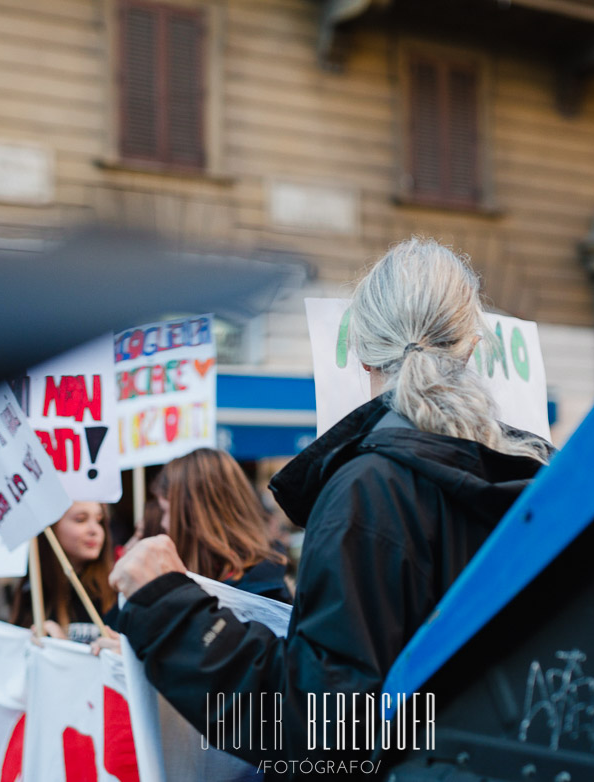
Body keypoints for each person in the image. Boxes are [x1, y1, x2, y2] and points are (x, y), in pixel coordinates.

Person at [109, 238, 552, 777]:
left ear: (362, 351)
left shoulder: (370, 490)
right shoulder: (540, 486)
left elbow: (325, 729)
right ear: (473, 347)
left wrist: (168, 605)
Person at [153, 448, 292, 603]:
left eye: (166, 511)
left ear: (196, 516)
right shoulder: (261, 578)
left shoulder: (257, 595)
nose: (163, 523)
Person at [11, 501, 117, 644]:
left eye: (100, 521)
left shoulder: (116, 590)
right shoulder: (33, 589)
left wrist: (62, 647)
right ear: (51, 526)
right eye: (81, 519)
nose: (94, 530)